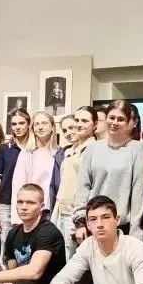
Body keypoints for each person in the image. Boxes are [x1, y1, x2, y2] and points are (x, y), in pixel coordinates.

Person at [73, 99, 143, 241]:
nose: (114, 122)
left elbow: (138, 191)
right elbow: (83, 186)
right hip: (92, 224)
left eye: (121, 119)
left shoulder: (136, 149)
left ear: (129, 123)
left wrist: (135, 229)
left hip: (121, 227)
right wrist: (80, 221)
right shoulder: (93, 148)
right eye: (111, 117)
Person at [52, 107, 96, 257]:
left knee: (73, 260)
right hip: (61, 211)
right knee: (60, 259)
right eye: (77, 120)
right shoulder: (69, 151)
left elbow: (89, 186)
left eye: (84, 121)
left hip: (75, 212)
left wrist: (80, 219)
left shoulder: (93, 149)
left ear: (94, 125)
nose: (79, 125)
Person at [0, 108, 31, 245]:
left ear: (28, 124)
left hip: (28, 203)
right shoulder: (4, 149)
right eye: (14, 124)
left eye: (21, 123)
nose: (17, 127)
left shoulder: (33, 149)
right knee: (5, 243)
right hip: (6, 204)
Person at [11, 112, 59, 211]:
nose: (40, 127)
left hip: (52, 209)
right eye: (37, 124)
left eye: (44, 123)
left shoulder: (59, 154)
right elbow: (18, 187)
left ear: (52, 127)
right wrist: (18, 214)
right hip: (30, 209)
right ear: (32, 128)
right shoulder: (26, 153)